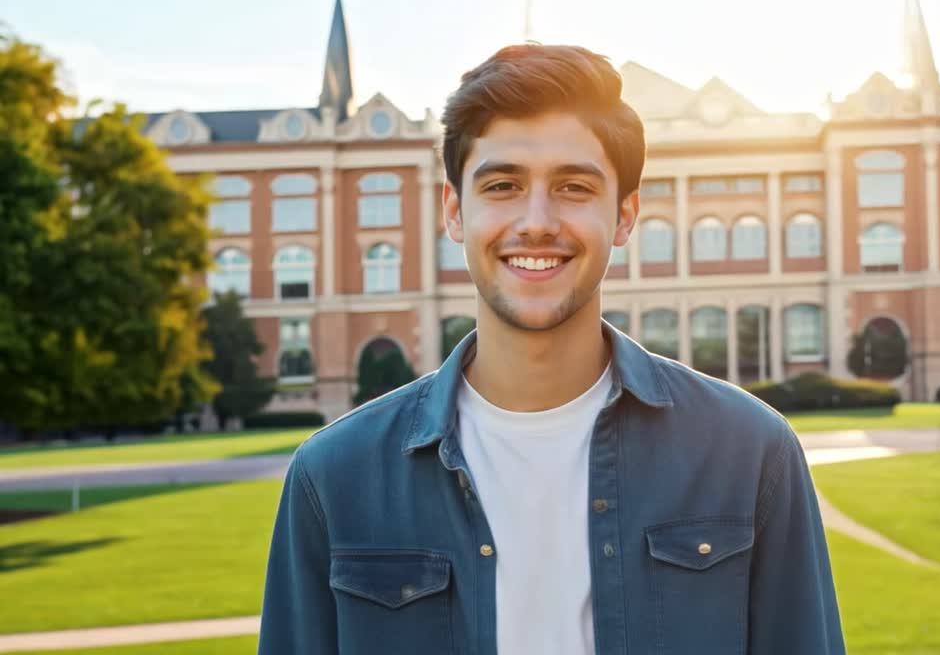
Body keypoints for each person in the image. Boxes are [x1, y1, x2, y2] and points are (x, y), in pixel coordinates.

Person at [258, 44, 844, 654]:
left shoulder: (751, 455)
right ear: (455, 211)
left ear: (624, 217)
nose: (536, 221)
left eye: (572, 186)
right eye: (504, 185)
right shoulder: (332, 478)